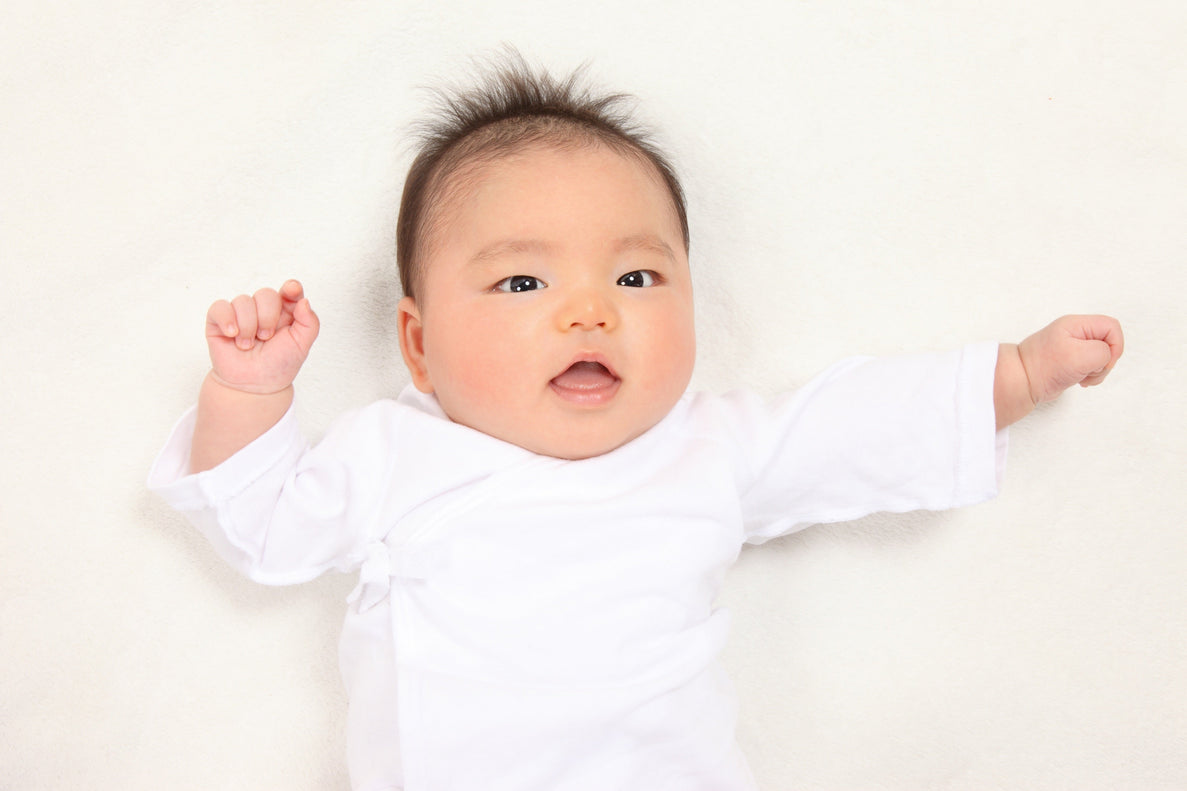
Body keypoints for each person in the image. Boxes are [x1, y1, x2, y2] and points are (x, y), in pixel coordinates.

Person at [149, 55, 1124, 791]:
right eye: (522, 279)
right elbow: (261, 524)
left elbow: (856, 425)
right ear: (417, 343)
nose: (589, 311)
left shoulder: (707, 445)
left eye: (635, 275)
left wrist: (1019, 372)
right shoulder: (392, 454)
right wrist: (251, 394)